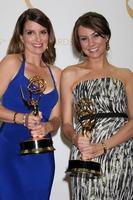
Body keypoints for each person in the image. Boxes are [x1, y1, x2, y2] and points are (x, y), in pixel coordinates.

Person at [61, 11, 133, 200]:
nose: (91, 44)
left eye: (96, 36)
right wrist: (76, 138)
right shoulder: (70, 74)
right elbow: (66, 125)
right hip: (86, 155)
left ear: (106, 36)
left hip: (121, 155)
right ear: (79, 43)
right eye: (84, 38)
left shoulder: (125, 75)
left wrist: (103, 146)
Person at [0, 8, 61, 200]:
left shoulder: (57, 73)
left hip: (41, 156)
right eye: (30, 32)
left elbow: (57, 117)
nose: (38, 38)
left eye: (43, 32)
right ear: (21, 37)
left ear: (49, 36)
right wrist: (22, 118)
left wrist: (48, 126)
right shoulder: (11, 62)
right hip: (8, 151)